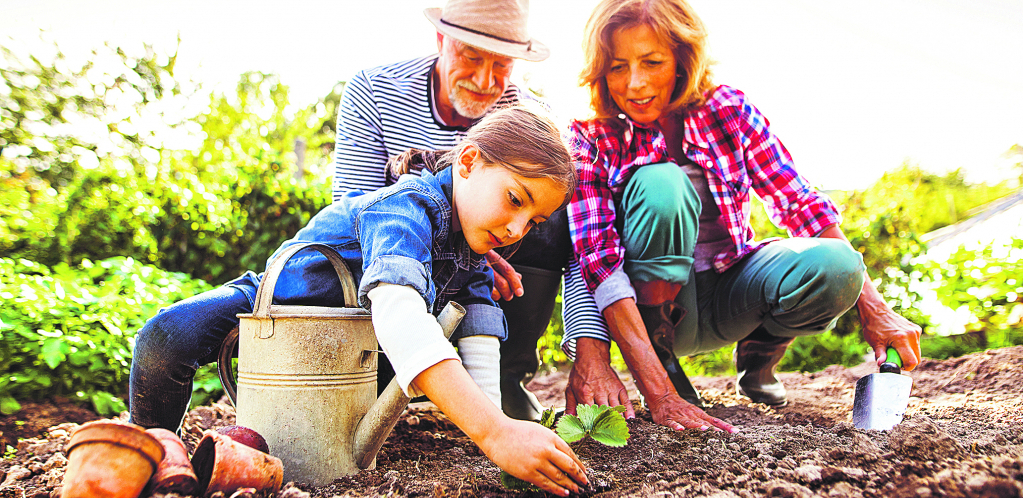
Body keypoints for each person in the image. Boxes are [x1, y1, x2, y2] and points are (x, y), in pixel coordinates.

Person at [128, 107, 588, 495]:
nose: (515, 229)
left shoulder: (474, 245)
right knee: (167, 335)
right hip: (276, 305)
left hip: (349, 352)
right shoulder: (407, 208)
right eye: (514, 200)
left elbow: (479, 330)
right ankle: (154, 449)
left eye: (533, 221)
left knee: (398, 373)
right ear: (468, 161)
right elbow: (398, 309)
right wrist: (494, 433)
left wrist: (495, 424)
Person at [559, 0, 923, 432]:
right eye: (618, 67)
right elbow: (597, 265)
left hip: (734, 286)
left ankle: (759, 353)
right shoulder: (593, 136)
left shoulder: (727, 109)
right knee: (662, 185)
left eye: (651, 62)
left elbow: (798, 202)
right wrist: (660, 394)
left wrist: (875, 309)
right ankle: (664, 362)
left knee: (840, 266)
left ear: (681, 58)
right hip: (662, 312)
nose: (634, 84)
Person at [333, 0, 568, 420]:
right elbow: (360, 208)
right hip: (397, 260)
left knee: (548, 213)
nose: (484, 80)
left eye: (501, 66)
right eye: (471, 57)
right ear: (441, 38)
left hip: (475, 257)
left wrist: (487, 246)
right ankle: (380, 370)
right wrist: (470, 252)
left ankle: (504, 379)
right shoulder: (374, 90)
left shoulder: (532, 118)